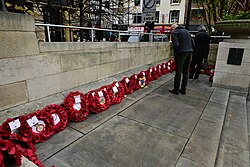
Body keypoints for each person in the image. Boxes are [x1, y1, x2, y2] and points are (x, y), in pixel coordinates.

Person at [169, 23, 194, 95]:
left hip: (181, 54)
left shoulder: (175, 32)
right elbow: (193, 43)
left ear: (173, 28)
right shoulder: (187, 32)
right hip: (189, 52)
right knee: (186, 72)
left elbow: (176, 45)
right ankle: (183, 89)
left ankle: (176, 89)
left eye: (171, 29)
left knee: (178, 71)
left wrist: (176, 54)